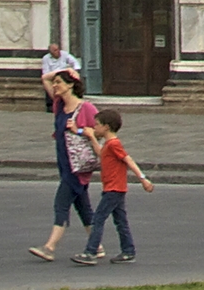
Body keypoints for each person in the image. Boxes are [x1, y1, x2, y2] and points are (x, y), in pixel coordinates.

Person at [30, 71, 98, 262]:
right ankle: (97, 245)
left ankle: (49, 247)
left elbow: (100, 131)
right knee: (83, 207)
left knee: (61, 204)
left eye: (59, 82)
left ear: (70, 85)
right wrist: (65, 70)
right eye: (56, 83)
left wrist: (80, 130)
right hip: (64, 163)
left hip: (77, 167)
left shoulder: (86, 108)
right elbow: (44, 78)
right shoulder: (59, 105)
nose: (55, 86)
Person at [75, 107, 151, 266]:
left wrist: (143, 178)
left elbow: (128, 160)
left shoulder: (114, 144)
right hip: (115, 188)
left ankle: (90, 252)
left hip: (113, 189)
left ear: (106, 127)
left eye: (97, 125)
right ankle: (128, 251)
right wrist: (90, 137)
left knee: (98, 219)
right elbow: (102, 154)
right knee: (120, 221)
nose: (94, 127)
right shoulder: (109, 145)